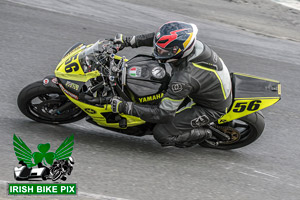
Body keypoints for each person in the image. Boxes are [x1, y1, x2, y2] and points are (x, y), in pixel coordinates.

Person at [111, 21, 232, 148]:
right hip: (206, 84)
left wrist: (125, 107)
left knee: (162, 133)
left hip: (210, 107)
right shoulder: (189, 45)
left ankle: (205, 134)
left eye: (163, 51)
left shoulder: (183, 80)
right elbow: (157, 39)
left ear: (179, 51)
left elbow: (163, 114)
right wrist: (128, 41)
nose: (157, 52)